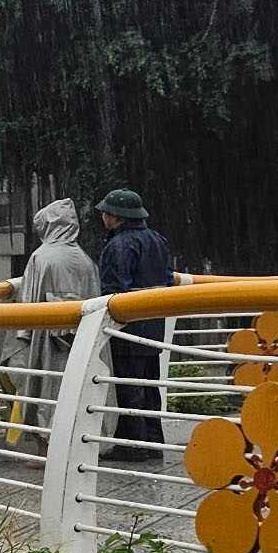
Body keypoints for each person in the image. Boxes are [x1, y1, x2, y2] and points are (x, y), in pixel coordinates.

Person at [0, 199, 99, 426]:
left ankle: (44, 444)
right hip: (81, 338)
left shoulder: (41, 258)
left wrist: (21, 336)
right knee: (74, 389)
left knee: (43, 390)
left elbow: (29, 302)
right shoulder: (85, 260)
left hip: (44, 340)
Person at [95, 187, 175, 463]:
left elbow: (114, 290)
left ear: (115, 216)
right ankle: (153, 441)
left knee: (128, 386)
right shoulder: (158, 239)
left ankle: (133, 445)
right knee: (149, 385)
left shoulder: (119, 245)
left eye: (105, 213)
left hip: (128, 327)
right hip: (154, 325)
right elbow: (167, 280)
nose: (102, 217)